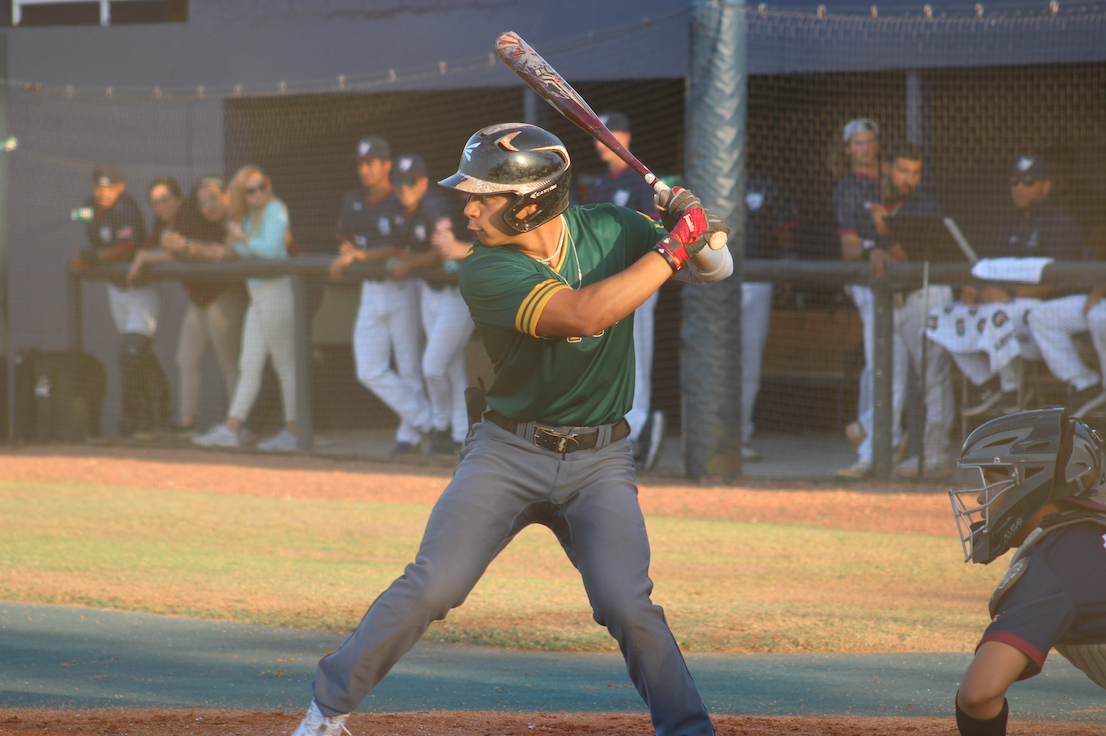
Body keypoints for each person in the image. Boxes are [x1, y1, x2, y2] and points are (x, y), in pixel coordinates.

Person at [290, 122, 732, 736]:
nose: (467, 209)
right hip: (508, 450)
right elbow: (583, 314)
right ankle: (326, 711)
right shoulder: (485, 270)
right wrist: (671, 248)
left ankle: (688, 731)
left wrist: (694, 227)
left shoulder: (612, 227)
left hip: (600, 459)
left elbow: (716, 268)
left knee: (626, 604)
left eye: (483, 196)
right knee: (432, 586)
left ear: (532, 202)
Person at [949, 407, 1106, 735]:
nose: (980, 496)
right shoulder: (1091, 532)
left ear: (1031, 481)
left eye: (991, 481)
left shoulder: (1054, 561)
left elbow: (978, 695)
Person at [955, 155, 1084, 417]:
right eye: (1015, 181)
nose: (1019, 188)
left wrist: (1008, 294)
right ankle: (987, 381)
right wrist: (979, 291)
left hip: (1045, 312)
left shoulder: (1062, 222)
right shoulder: (1008, 225)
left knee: (997, 313)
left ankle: (1011, 387)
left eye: (1028, 181)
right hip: (1007, 305)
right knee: (949, 313)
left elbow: (1060, 283)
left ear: (1045, 186)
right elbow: (992, 273)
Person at [329, 136, 431, 455]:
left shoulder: (400, 194)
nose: (365, 170)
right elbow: (344, 242)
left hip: (402, 288)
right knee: (369, 369)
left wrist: (359, 255)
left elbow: (400, 247)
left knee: (409, 366)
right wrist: (353, 252)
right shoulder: (353, 199)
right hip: (371, 290)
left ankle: (409, 436)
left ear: (386, 164)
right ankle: (428, 421)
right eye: (360, 164)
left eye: (370, 163)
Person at [128, 176, 247, 432]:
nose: (160, 207)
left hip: (222, 292)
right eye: (154, 203)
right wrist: (142, 254)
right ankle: (186, 423)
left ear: (178, 200)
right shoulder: (162, 225)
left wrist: (148, 256)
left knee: (229, 361)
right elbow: (153, 247)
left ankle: (237, 426)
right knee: (186, 359)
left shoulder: (190, 216)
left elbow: (192, 251)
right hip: (199, 299)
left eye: (165, 200)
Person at [193, 165, 297, 451]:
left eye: (262, 186)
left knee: (285, 366)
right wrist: (227, 247)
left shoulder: (276, 209)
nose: (258, 193)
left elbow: (271, 251)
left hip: (276, 293)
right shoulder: (248, 217)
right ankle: (231, 429)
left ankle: (294, 432)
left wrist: (241, 238)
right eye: (251, 190)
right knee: (248, 364)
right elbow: (242, 252)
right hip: (257, 295)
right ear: (243, 194)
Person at [585, 111, 667, 469]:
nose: (604, 142)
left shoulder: (640, 180)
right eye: (600, 135)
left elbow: (654, 226)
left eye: (611, 134)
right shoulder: (601, 184)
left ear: (626, 138)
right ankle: (620, 427)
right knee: (614, 352)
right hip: (609, 282)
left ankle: (639, 427)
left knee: (639, 352)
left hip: (640, 276)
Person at [385, 153, 474, 455]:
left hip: (455, 295)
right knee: (452, 367)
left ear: (422, 182)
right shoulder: (404, 209)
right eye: (399, 181)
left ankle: (440, 425)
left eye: (410, 181)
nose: (404, 187)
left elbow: (442, 250)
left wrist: (410, 264)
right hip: (429, 294)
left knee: (433, 366)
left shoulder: (436, 203)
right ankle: (459, 434)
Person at [69, 162, 163, 438]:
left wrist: (91, 258)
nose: (104, 192)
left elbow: (125, 250)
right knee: (137, 354)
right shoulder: (91, 207)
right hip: (116, 290)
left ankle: (137, 419)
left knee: (132, 351)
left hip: (141, 289)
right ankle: (157, 414)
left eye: (110, 187)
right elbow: (94, 238)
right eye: (100, 187)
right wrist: (90, 260)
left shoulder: (126, 208)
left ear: (120, 187)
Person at [739, 169, 800, 461]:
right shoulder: (703, 179)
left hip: (758, 279)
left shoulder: (764, 184)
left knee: (749, 362)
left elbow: (783, 230)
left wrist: (787, 271)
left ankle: (740, 435)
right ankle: (709, 436)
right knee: (710, 360)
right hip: (713, 284)